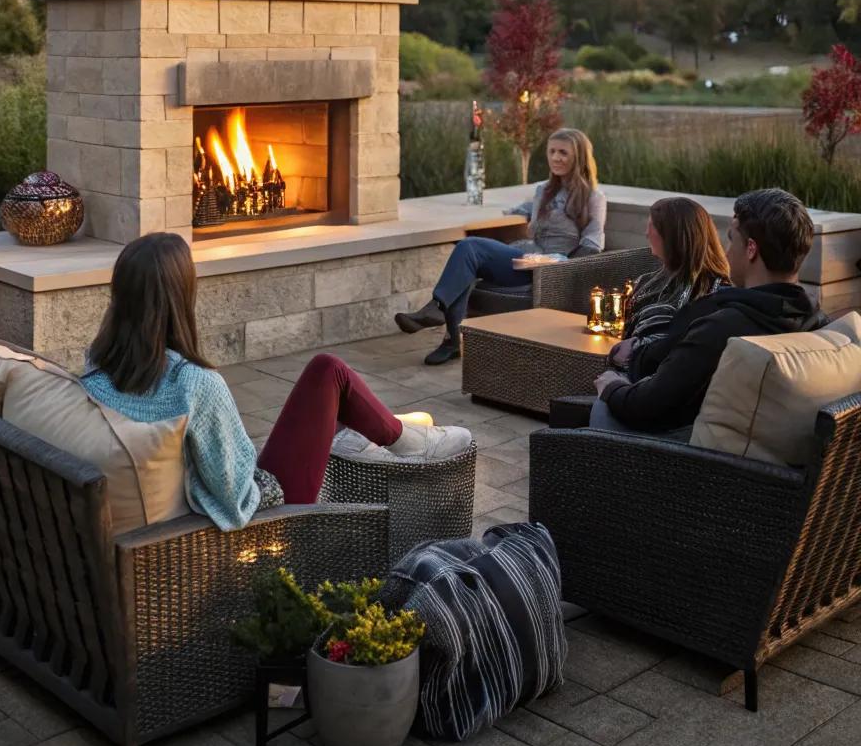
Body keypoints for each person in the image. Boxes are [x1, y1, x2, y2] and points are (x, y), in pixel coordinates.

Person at [81, 232, 472, 531]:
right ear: (179, 299)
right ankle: (403, 440)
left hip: (187, 502)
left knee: (324, 388)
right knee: (328, 372)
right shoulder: (194, 384)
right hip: (260, 520)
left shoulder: (98, 366)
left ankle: (374, 432)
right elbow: (236, 499)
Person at [591, 187, 824, 437]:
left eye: (732, 239)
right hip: (762, 453)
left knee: (602, 407)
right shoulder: (815, 321)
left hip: (688, 457)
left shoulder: (722, 327)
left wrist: (612, 387)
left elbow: (647, 405)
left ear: (751, 249)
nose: (726, 252)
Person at [396, 127, 606, 366]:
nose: (556, 158)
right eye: (552, 151)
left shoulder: (593, 198)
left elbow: (593, 244)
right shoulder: (543, 191)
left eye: (563, 153)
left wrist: (559, 265)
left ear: (578, 157)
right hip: (525, 260)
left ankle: (440, 318)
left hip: (550, 272)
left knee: (470, 246)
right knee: (467, 261)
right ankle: (449, 334)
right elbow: (525, 211)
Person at [606, 196, 731, 384]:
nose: (646, 233)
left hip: (662, 384)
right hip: (636, 375)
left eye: (652, 226)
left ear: (672, 235)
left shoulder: (713, 293)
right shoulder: (648, 282)